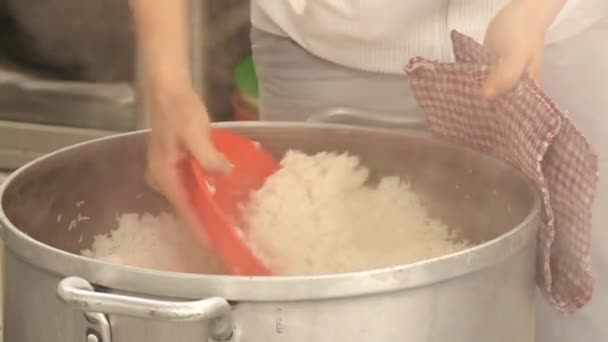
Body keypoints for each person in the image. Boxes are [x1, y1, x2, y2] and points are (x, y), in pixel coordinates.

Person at [129, 0, 608, 340]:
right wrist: (167, 82)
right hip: (324, 47)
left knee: (571, 318)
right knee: (311, 323)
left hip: (546, 39)